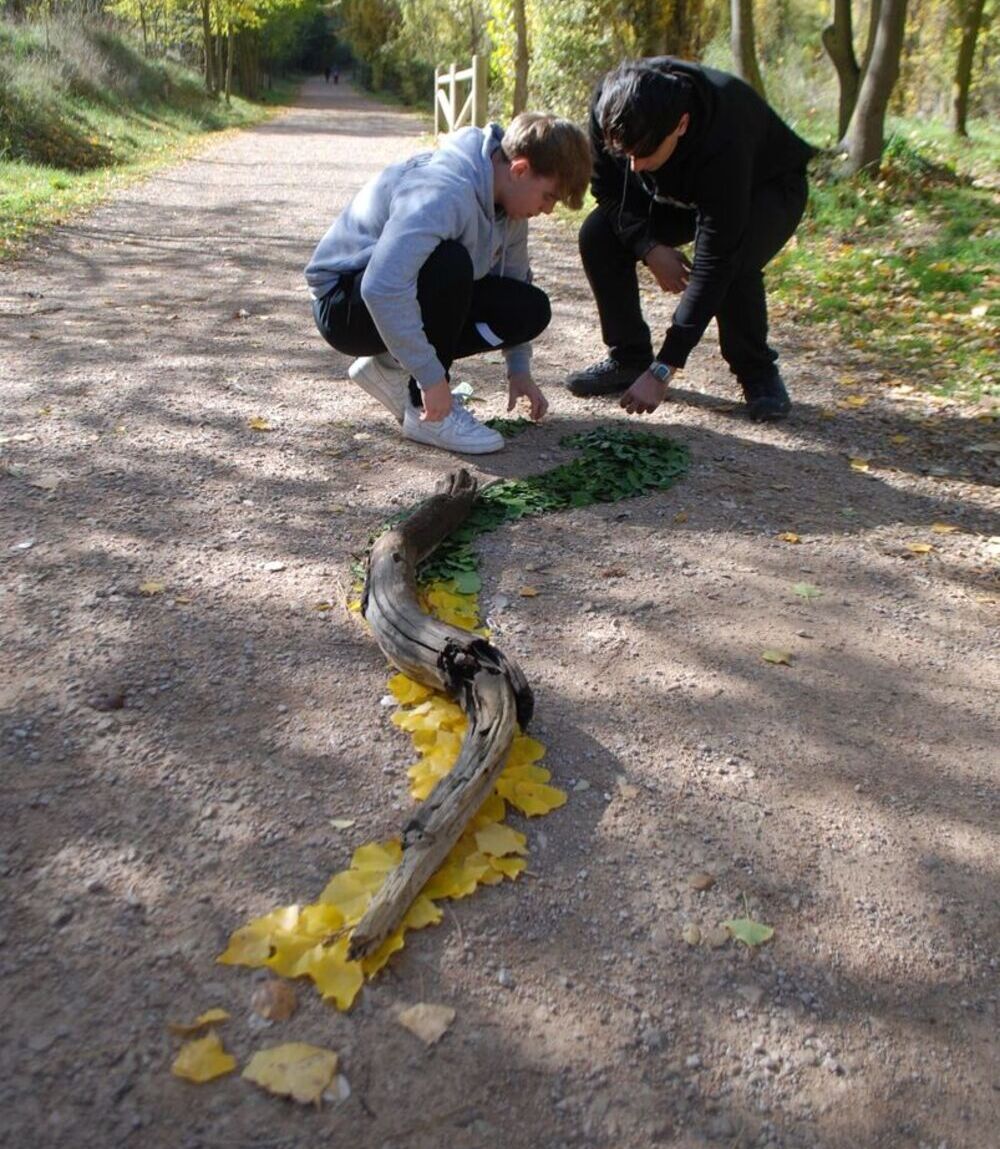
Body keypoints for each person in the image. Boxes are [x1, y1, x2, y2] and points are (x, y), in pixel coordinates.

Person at [305, 113, 591, 454]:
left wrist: (519, 370)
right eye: (548, 197)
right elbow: (381, 287)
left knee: (529, 308)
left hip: (392, 293)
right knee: (450, 263)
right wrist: (431, 378)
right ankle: (425, 413)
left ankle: (390, 365)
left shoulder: (510, 206)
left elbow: (513, 282)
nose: (547, 210)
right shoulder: (443, 192)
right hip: (344, 305)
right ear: (520, 170)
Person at [567, 58, 816, 422]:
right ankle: (628, 356)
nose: (633, 166)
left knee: (736, 261)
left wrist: (665, 368)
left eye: (644, 153)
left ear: (681, 124)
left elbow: (717, 259)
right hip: (678, 189)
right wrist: (648, 246)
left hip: (766, 186)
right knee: (599, 235)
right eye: (626, 154)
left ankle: (757, 373)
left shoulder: (726, 131)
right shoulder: (609, 106)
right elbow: (607, 191)